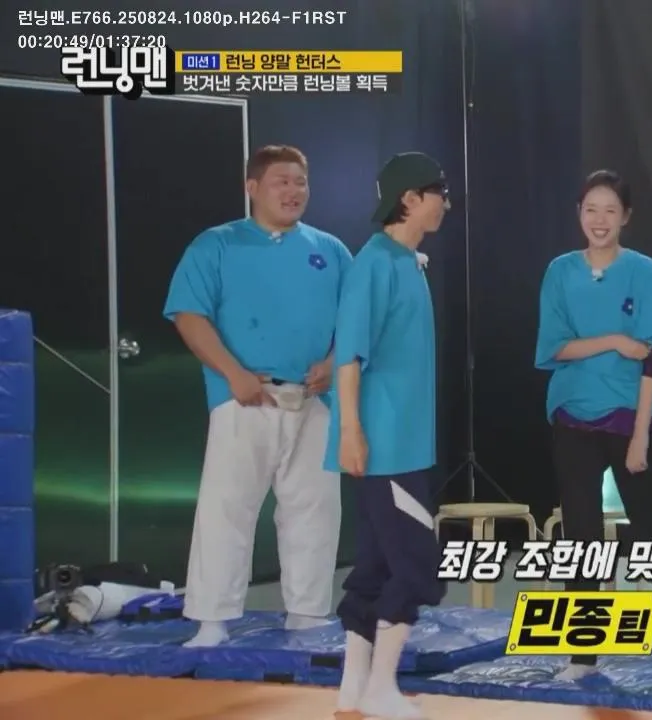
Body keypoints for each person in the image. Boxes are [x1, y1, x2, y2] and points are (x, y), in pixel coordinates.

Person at [163, 144, 350, 648]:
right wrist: (234, 373)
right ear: (253, 188)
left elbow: (357, 320)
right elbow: (189, 315)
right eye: (281, 182)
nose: (293, 191)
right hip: (244, 398)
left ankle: (308, 612)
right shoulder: (216, 245)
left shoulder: (330, 250)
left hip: (313, 400)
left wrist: (334, 364)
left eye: (300, 182)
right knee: (227, 509)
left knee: (314, 509)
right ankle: (211, 620)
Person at [534, 169, 652, 681]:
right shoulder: (560, 271)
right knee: (580, 535)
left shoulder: (644, 272)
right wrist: (613, 341)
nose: (599, 220)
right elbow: (554, 347)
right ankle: (582, 654)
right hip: (572, 415)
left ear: (625, 216)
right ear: (578, 214)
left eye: (610, 210)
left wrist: (642, 434)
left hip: (632, 416)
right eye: (590, 210)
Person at [328, 152, 451, 719]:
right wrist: (351, 431)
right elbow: (349, 356)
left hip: (404, 443)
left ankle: (354, 687)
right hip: (386, 446)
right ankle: (382, 687)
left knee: (376, 565)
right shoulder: (373, 264)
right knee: (418, 564)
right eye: (438, 193)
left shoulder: (406, 262)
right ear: (410, 199)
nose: (445, 203)